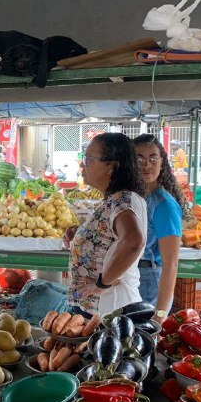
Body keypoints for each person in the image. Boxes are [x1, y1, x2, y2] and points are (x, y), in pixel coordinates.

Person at [64, 133, 147, 316]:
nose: (82, 165)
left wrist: (102, 283)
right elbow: (112, 239)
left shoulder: (122, 200)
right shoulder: (117, 199)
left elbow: (133, 241)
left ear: (111, 166)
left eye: (88, 159)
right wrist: (80, 234)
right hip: (99, 308)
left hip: (108, 309)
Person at [132, 134, 186, 322]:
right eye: (139, 159)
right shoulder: (133, 198)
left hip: (149, 283)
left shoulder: (164, 205)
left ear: (161, 163)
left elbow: (171, 264)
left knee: (143, 340)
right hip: (132, 277)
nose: (147, 165)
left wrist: (160, 314)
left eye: (153, 158)